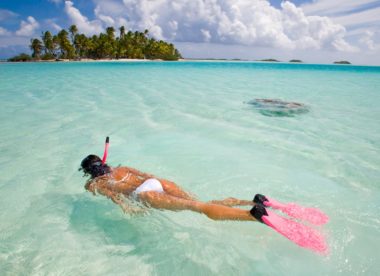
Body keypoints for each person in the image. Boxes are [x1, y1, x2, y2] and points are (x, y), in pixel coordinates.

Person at [80, 154, 266, 222]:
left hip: (144, 194)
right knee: (197, 202)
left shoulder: (95, 183)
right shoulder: (122, 168)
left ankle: (250, 216)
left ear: (88, 172)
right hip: (158, 182)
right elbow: (146, 175)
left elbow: (114, 196)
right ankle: (253, 202)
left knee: (197, 208)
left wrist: (128, 208)